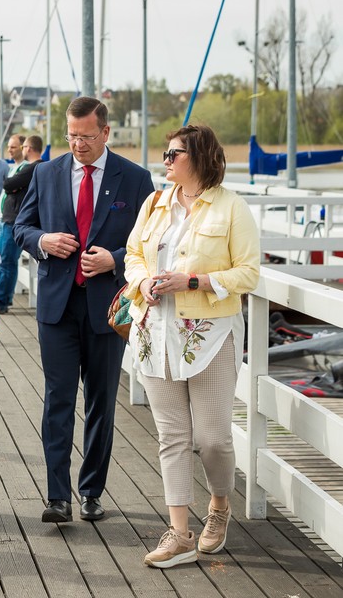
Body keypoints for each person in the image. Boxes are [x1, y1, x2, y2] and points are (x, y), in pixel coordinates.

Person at [13, 96, 154, 524]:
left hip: (107, 307)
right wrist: (44, 241)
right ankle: (58, 497)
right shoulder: (46, 173)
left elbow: (151, 242)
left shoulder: (135, 178)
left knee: (101, 402)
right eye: (71, 136)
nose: (78, 144)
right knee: (58, 400)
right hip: (57, 306)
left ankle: (91, 491)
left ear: (105, 132)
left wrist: (115, 259)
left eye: (87, 137)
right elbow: (21, 227)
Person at [124, 125, 259, 568]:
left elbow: (248, 273)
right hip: (155, 332)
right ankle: (179, 533)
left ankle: (219, 505)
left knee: (213, 439)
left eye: (174, 154)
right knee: (173, 437)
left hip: (210, 335)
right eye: (165, 153)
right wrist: (144, 281)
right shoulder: (154, 203)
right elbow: (133, 255)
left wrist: (193, 281)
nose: (165, 160)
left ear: (199, 157)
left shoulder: (232, 207)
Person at [0, 135, 44, 313]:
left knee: (6, 261)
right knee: (3, 260)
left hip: (13, 220)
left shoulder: (32, 167)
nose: (17, 150)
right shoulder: (24, 168)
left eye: (21, 146)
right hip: (7, 219)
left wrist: (13, 186)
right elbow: (11, 186)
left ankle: (2, 301)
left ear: (28, 148)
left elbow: (8, 184)